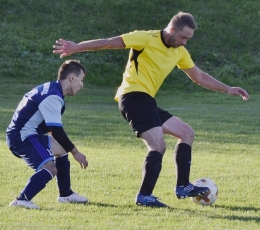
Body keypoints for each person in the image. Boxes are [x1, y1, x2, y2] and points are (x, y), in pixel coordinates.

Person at [53, 12, 249, 208]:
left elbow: (199, 76)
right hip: (132, 97)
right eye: (183, 37)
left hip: (147, 101)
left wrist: (228, 88)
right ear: (172, 30)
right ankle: (144, 196)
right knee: (158, 145)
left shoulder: (179, 52)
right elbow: (109, 42)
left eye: (188, 39)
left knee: (186, 133)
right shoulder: (146, 38)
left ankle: (183, 186)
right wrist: (77, 47)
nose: (185, 42)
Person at [6, 60, 89, 209]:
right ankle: (21, 200)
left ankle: (66, 194)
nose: (82, 85)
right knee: (50, 168)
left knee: (62, 149)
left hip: (26, 134)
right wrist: (76, 152)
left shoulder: (52, 89)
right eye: (81, 79)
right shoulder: (53, 97)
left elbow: (50, 128)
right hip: (23, 137)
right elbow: (56, 130)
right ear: (71, 77)